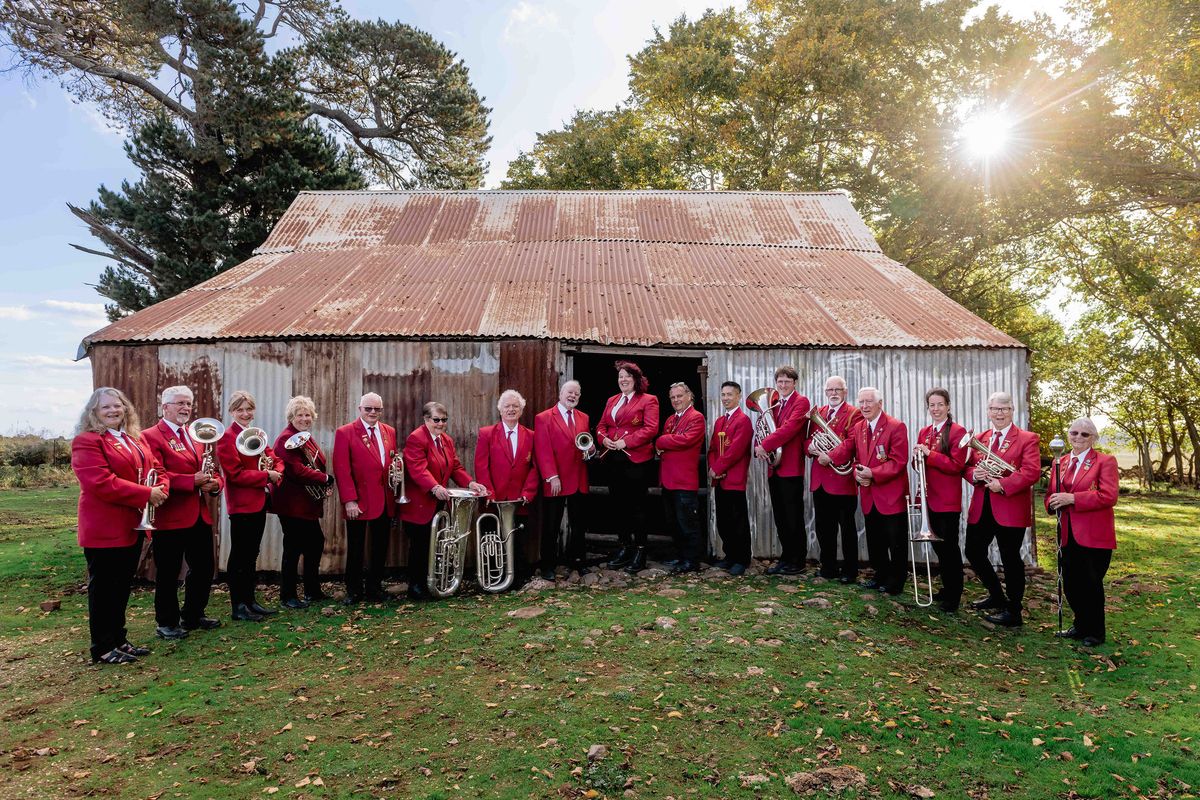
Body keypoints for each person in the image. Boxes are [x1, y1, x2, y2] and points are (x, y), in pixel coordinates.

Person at [71, 387, 167, 664]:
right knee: (103, 590)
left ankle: (119, 640)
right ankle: (102, 647)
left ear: (126, 409)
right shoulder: (87, 441)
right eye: (106, 408)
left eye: (118, 406)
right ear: (94, 413)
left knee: (121, 587)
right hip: (104, 527)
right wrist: (146, 494)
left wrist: (161, 487)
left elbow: (157, 470)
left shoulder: (133, 439)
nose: (113, 411)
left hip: (131, 524)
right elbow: (100, 483)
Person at [141, 386, 223, 638]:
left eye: (188, 403)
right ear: (164, 407)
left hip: (198, 513)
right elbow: (155, 473)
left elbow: (213, 469)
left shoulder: (196, 435)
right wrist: (191, 481)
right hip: (170, 516)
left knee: (204, 567)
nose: (185, 408)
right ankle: (166, 622)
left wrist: (215, 484)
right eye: (179, 403)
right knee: (168, 572)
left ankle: (193, 615)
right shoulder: (150, 436)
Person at [962, 391, 1042, 627]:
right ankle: (996, 595)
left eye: (1004, 409)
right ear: (988, 411)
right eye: (995, 409)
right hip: (982, 506)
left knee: (1010, 558)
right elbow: (967, 467)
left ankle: (1014, 611)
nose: (999, 413)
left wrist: (1003, 484)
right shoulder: (982, 437)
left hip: (1009, 507)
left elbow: (1031, 472)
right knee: (973, 552)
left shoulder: (1027, 438)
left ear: (1012, 411)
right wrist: (974, 475)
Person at [822, 387, 909, 594]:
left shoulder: (896, 426)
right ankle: (880, 575)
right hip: (869, 494)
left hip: (891, 496)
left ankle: (895, 583)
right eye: (861, 402)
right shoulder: (859, 426)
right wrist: (854, 471)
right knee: (875, 540)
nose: (864, 406)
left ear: (880, 403)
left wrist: (872, 473)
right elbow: (851, 453)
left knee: (895, 542)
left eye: (869, 402)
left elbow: (899, 462)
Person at [400, 402, 488, 599]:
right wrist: (434, 486)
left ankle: (434, 585)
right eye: (436, 420)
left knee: (435, 545)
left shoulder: (446, 440)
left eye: (444, 420)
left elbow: (455, 467)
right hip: (420, 503)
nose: (440, 424)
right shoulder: (416, 438)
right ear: (426, 419)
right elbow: (417, 469)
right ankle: (416, 588)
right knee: (421, 546)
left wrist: (471, 483)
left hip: (439, 500)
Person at [1047, 417, 1118, 647]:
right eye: (1073, 433)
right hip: (1067, 533)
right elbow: (1050, 494)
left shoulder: (1105, 462)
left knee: (1090, 583)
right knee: (1070, 583)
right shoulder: (1061, 461)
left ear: (1093, 438)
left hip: (1094, 534)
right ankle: (1080, 625)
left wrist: (1073, 498)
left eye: (1084, 434)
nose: (1078, 437)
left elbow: (1109, 496)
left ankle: (1096, 631)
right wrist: (1052, 502)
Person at [217, 390, 283, 621]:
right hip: (242, 505)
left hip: (258, 502)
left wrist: (277, 472)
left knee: (251, 554)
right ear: (232, 412)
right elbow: (234, 475)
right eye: (240, 409)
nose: (245, 413)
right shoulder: (227, 437)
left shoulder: (256, 434)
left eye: (249, 409)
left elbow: (275, 459)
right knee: (239, 557)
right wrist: (267, 475)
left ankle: (251, 601)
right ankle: (238, 607)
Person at [332, 392, 398, 604]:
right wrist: (349, 500)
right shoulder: (345, 432)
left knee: (380, 548)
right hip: (358, 501)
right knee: (356, 548)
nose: (372, 413)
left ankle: (374, 589)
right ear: (359, 408)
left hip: (385, 499)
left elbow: (390, 462)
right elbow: (342, 469)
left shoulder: (389, 431)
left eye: (377, 409)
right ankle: (353, 591)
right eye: (368, 408)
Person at [597, 361, 661, 573]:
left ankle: (640, 551)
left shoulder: (648, 400)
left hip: (637, 461)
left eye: (627, 376)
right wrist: (604, 439)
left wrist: (628, 442)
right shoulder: (611, 400)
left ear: (636, 379)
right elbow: (601, 426)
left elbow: (651, 428)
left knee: (638, 507)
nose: (623, 380)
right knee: (618, 506)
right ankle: (625, 547)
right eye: (620, 377)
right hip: (613, 460)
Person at [272, 396, 335, 609]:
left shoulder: (305, 437)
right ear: (292, 416)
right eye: (300, 414)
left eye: (308, 414)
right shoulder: (285, 439)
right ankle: (288, 595)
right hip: (292, 504)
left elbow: (316, 464)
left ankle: (312, 590)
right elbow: (295, 470)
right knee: (293, 547)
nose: (304, 418)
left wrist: (322, 485)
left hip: (307, 502)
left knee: (315, 543)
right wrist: (325, 479)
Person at [912, 388, 968, 612]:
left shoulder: (957, 431)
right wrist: (917, 458)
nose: (935, 409)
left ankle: (953, 596)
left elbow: (957, 465)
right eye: (931, 405)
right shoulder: (925, 431)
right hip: (929, 498)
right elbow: (918, 465)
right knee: (939, 548)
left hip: (946, 500)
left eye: (940, 405)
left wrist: (928, 454)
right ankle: (946, 589)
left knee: (949, 549)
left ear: (948, 406)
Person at [475, 390, 540, 581]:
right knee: (492, 538)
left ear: (521, 410)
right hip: (493, 500)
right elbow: (481, 466)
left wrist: (528, 493)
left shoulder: (531, 436)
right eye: (507, 406)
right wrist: (489, 493)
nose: (511, 409)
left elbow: (536, 468)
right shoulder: (486, 433)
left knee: (517, 539)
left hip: (519, 500)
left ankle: (517, 577)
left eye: (515, 406)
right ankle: (494, 578)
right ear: (500, 410)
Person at [753, 366, 811, 575]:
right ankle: (786, 558)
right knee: (781, 517)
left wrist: (765, 445)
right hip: (774, 468)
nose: (783, 385)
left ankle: (798, 561)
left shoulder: (801, 402)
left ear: (795, 383)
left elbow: (789, 429)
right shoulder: (775, 403)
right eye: (780, 381)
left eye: (787, 381)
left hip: (791, 468)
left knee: (793, 516)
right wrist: (758, 447)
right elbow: (763, 425)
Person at [533, 380, 592, 581]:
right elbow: (543, 450)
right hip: (556, 480)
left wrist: (589, 452)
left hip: (578, 478)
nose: (573, 396)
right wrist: (552, 477)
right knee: (551, 525)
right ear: (560, 393)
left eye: (576, 393)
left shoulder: (584, 417)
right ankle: (548, 565)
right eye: (569, 392)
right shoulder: (544, 418)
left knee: (579, 524)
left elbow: (585, 443)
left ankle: (578, 562)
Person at [806, 375, 862, 583]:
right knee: (823, 528)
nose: (833, 394)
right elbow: (808, 440)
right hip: (820, 479)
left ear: (845, 392)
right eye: (830, 390)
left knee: (847, 529)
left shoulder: (854, 414)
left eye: (837, 390)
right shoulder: (818, 413)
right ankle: (828, 567)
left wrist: (831, 456)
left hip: (842, 480)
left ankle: (850, 571)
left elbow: (851, 443)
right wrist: (810, 448)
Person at [655, 382, 706, 573]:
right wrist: (665, 443)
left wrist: (662, 441)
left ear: (689, 396)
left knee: (688, 523)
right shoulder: (669, 420)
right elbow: (667, 445)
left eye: (679, 396)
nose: (676, 400)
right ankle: (680, 557)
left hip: (684, 480)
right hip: (668, 480)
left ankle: (691, 561)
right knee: (674, 522)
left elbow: (685, 440)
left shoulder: (696, 417)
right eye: (673, 397)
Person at [708, 381, 752, 576]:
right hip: (720, 478)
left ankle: (742, 559)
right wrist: (713, 468)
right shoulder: (719, 421)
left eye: (729, 395)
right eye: (723, 394)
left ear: (738, 396)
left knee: (737, 520)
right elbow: (712, 449)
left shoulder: (743, 420)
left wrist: (718, 467)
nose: (725, 398)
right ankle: (729, 556)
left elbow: (736, 450)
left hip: (734, 478)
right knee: (724, 520)